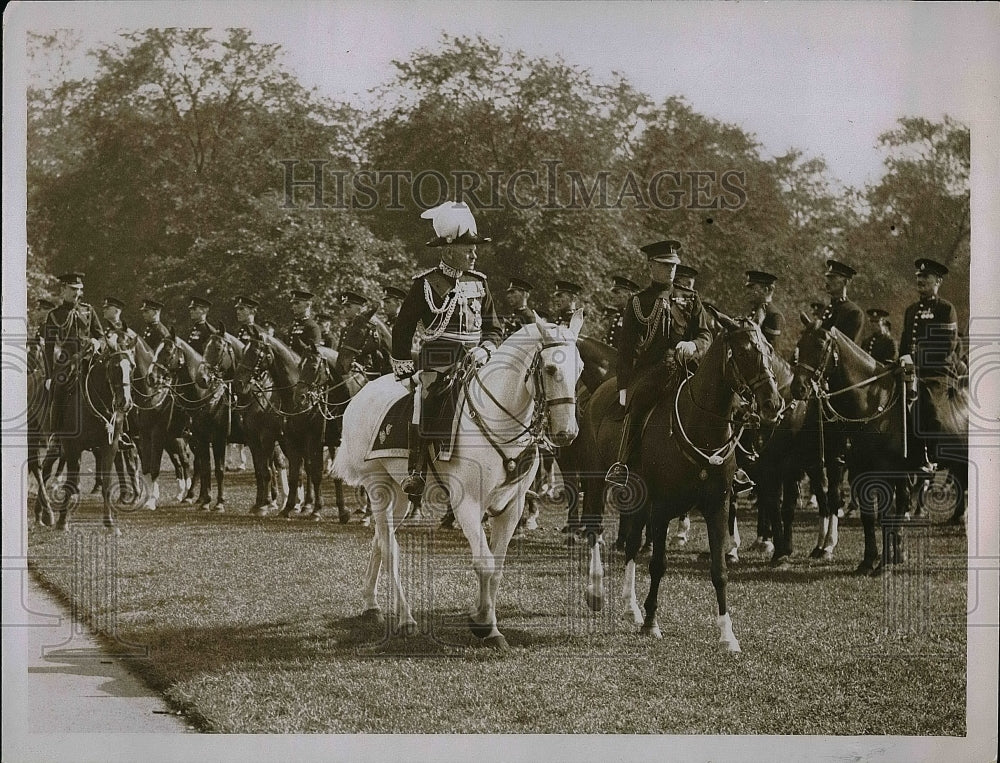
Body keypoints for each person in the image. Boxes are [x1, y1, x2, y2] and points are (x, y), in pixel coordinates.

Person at [390, 201, 501, 498]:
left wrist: (486, 349)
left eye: (475, 249)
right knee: (423, 399)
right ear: (448, 250)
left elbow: (494, 329)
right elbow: (401, 329)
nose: (475, 255)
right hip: (438, 361)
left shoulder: (480, 283)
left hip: (477, 361)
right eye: (468, 249)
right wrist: (404, 369)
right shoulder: (426, 284)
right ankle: (417, 469)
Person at [606, 240, 713, 488]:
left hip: (687, 368)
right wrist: (624, 387)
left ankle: (731, 465)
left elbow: (706, 335)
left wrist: (694, 346)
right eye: (665, 265)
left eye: (673, 265)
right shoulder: (637, 302)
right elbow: (624, 351)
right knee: (640, 403)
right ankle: (624, 463)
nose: (671, 270)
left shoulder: (689, 297)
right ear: (651, 266)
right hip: (651, 372)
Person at [899, 258, 965, 513]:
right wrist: (902, 358)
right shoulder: (911, 310)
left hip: (937, 372)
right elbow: (905, 341)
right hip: (912, 370)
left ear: (938, 282)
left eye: (926, 278)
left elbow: (945, 346)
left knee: (927, 403)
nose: (921, 281)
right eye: (918, 277)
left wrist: (915, 360)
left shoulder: (945, 309)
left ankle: (929, 457)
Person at [41, 272, 105, 433]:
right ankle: (56, 434)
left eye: (78, 289)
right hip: (67, 362)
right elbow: (48, 348)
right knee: (59, 389)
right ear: (63, 290)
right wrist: (49, 376)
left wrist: (98, 342)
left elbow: (101, 335)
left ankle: (122, 431)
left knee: (114, 380)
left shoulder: (88, 310)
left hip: (90, 359)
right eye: (72, 289)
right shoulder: (54, 315)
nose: (76, 292)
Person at [819, 259, 864, 341]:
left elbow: (845, 346)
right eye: (828, 278)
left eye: (832, 278)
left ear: (846, 282)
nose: (827, 282)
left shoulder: (853, 312)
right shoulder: (826, 309)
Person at [744, 270, 784, 350]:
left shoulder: (774, 316)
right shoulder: (755, 312)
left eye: (752, 288)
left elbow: (768, 351)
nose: (747, 292)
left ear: (765, 290)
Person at [604, 275, 640, 349]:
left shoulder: (635, 317)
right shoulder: (615, 317)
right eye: (613, 292)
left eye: (617, 292)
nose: (612, 295)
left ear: (629, 295)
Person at [287, 289, 322, 356]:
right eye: (293, 303)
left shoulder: (312, 327)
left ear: (307, 304)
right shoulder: (292, 327)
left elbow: (314, 354)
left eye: (297, 303)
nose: (294, 306)